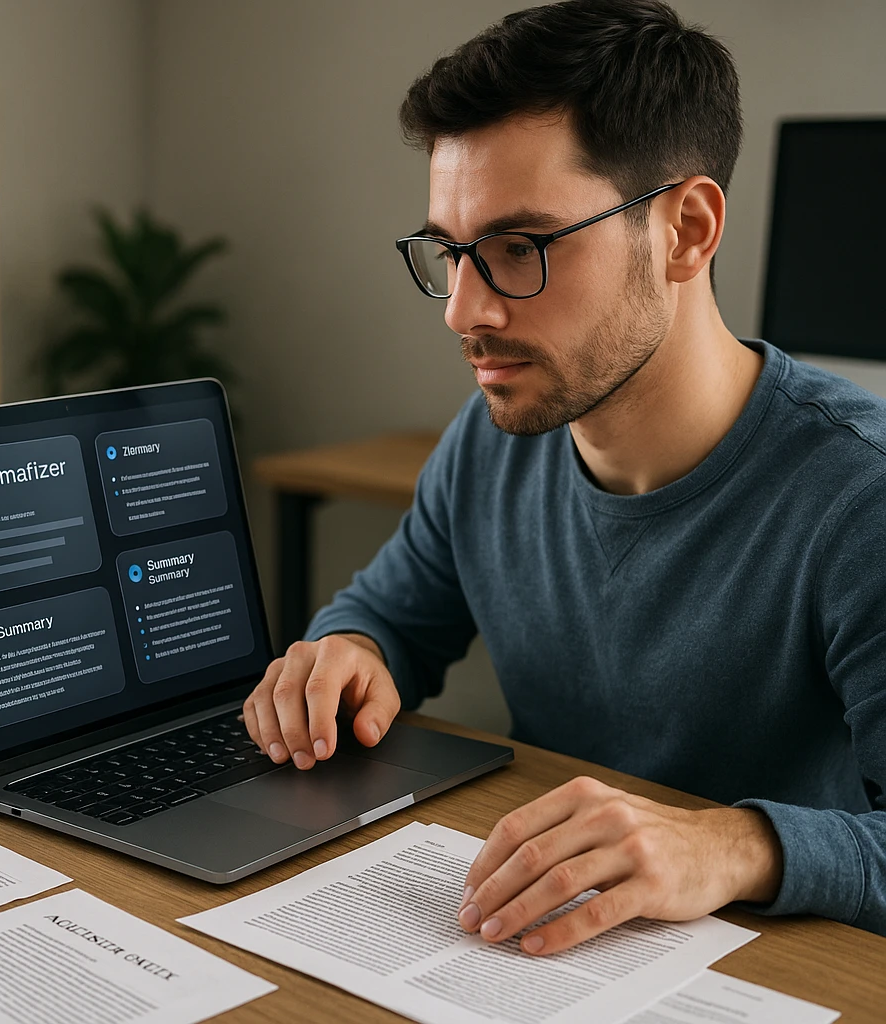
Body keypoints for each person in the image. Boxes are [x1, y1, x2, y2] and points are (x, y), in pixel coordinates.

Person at [242, 0, 886, 954]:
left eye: (519, 249)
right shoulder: (492, 439)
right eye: (450, 252)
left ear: (686, 230)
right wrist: (349, 656)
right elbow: (388, 620)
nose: (464, 310)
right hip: (537, 944)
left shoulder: (860, 498)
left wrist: (737, 844)